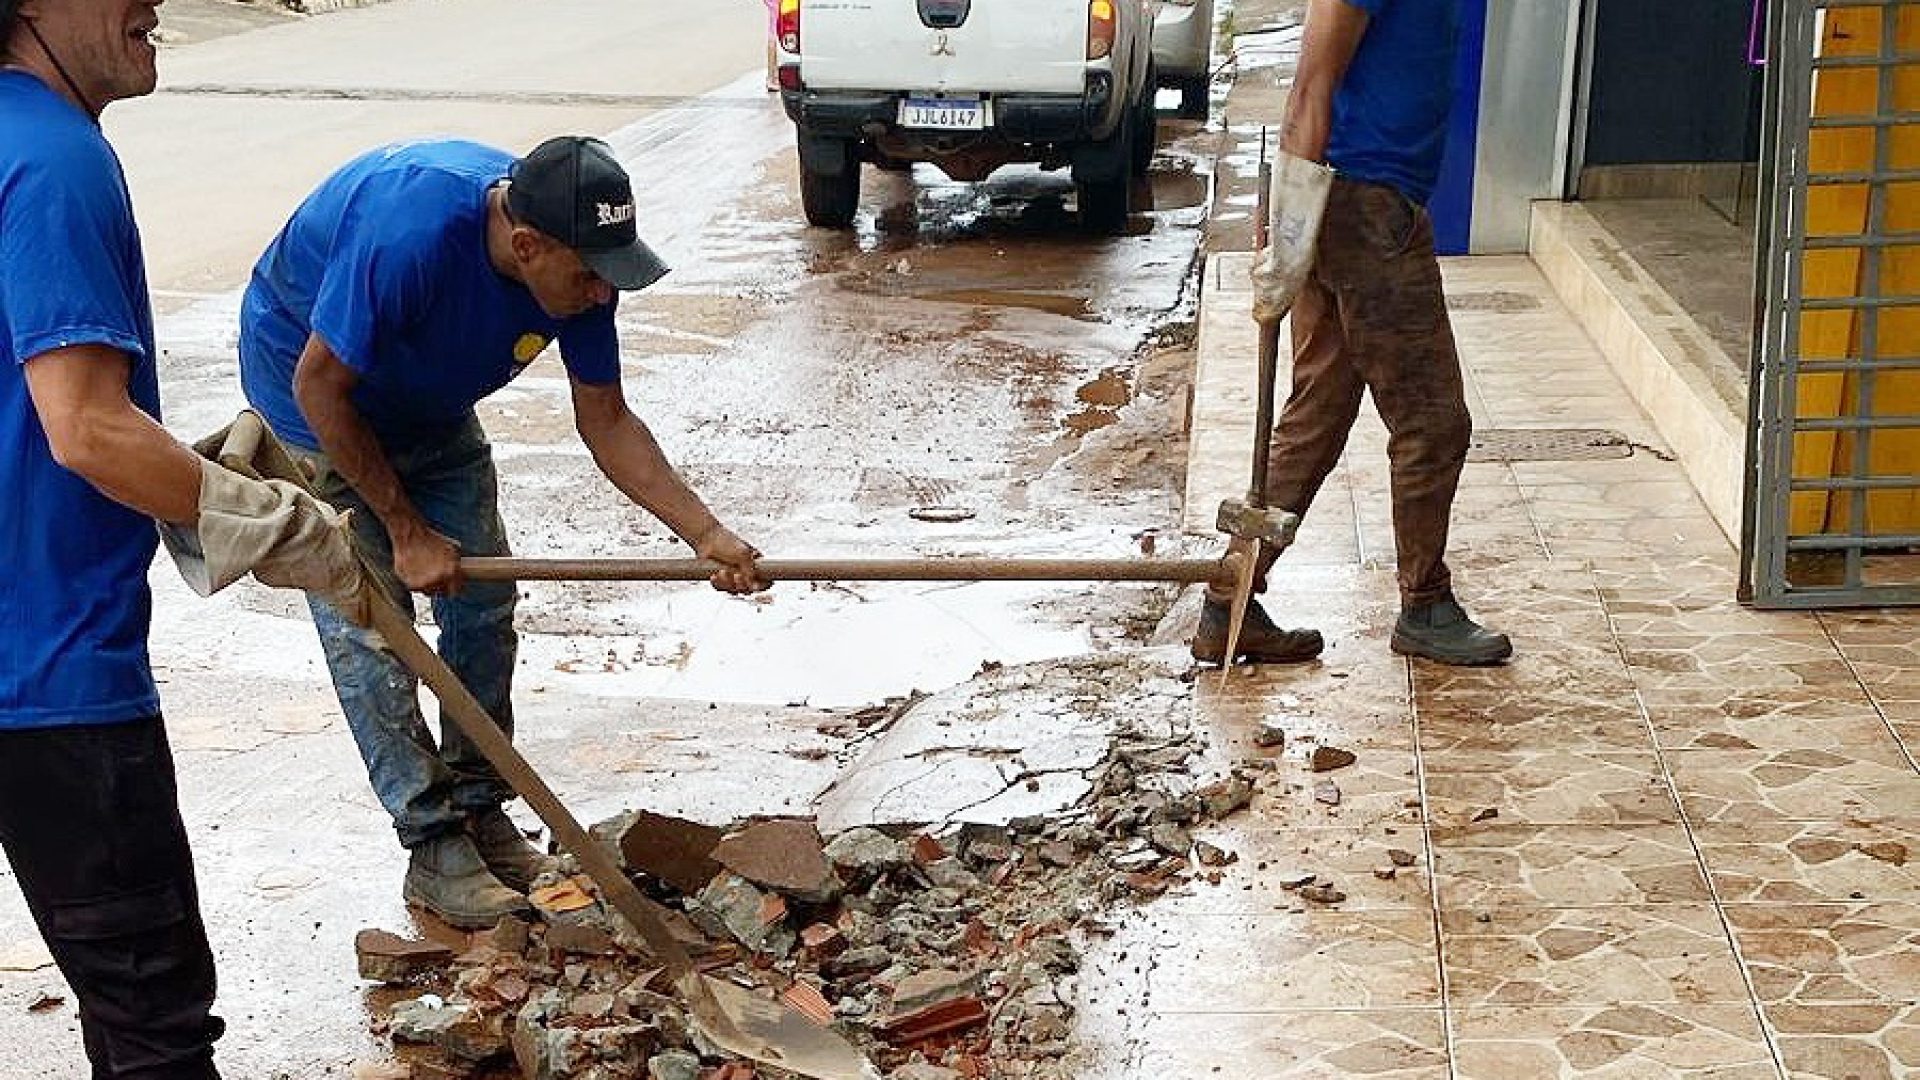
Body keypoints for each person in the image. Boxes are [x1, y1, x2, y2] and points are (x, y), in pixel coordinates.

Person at [238, 134, 768, 929]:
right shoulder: (409, 235)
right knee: (373, 626)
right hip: (312, 400)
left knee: (484, 601)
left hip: (427, 401)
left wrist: (707, 534)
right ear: (526, 245)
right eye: (589, 276)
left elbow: (608, 420)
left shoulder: (580, 269)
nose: (600, 295)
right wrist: (405, 528)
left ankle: (482, 808)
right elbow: (321, 385)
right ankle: (433, 844)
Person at [1, 0, 364, 1074]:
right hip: (48, 675)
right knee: (152, 1026)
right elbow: (84, 426)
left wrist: (191, 469)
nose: (154, 4)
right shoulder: (55, 159)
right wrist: (261, 516)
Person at [1192, 0, 1511, 668]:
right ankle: (1426, 603)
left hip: (1370, 202)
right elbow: (1311, 82)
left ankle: (1230, 600)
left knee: (1318, 416)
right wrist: (1288, 226)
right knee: (1433, 420)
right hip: (1364, 205)